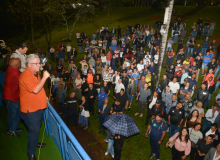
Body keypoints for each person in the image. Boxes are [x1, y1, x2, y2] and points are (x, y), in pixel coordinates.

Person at [19, 54, 50, 160]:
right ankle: (31, 152)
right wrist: (45, 78)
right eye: (36, 63)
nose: (39, 65)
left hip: (38, 107)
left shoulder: (35, 72)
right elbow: (36, 90)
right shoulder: (25, 75)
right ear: (29, 65)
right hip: (30, 110)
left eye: (39, 62)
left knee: (36, 129)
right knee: (34, 131)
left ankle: (34, 142)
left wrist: (44, 95)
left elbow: (38, 86)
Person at [3, 58, 23, 137]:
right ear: (17, 65)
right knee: (13, 114)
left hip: (11, 97)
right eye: (20, 63)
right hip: (11, 98)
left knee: (16, 113)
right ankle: (11, 130)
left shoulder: (10, 68)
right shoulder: (15, 72)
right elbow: (23, 80)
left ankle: (13, 127)